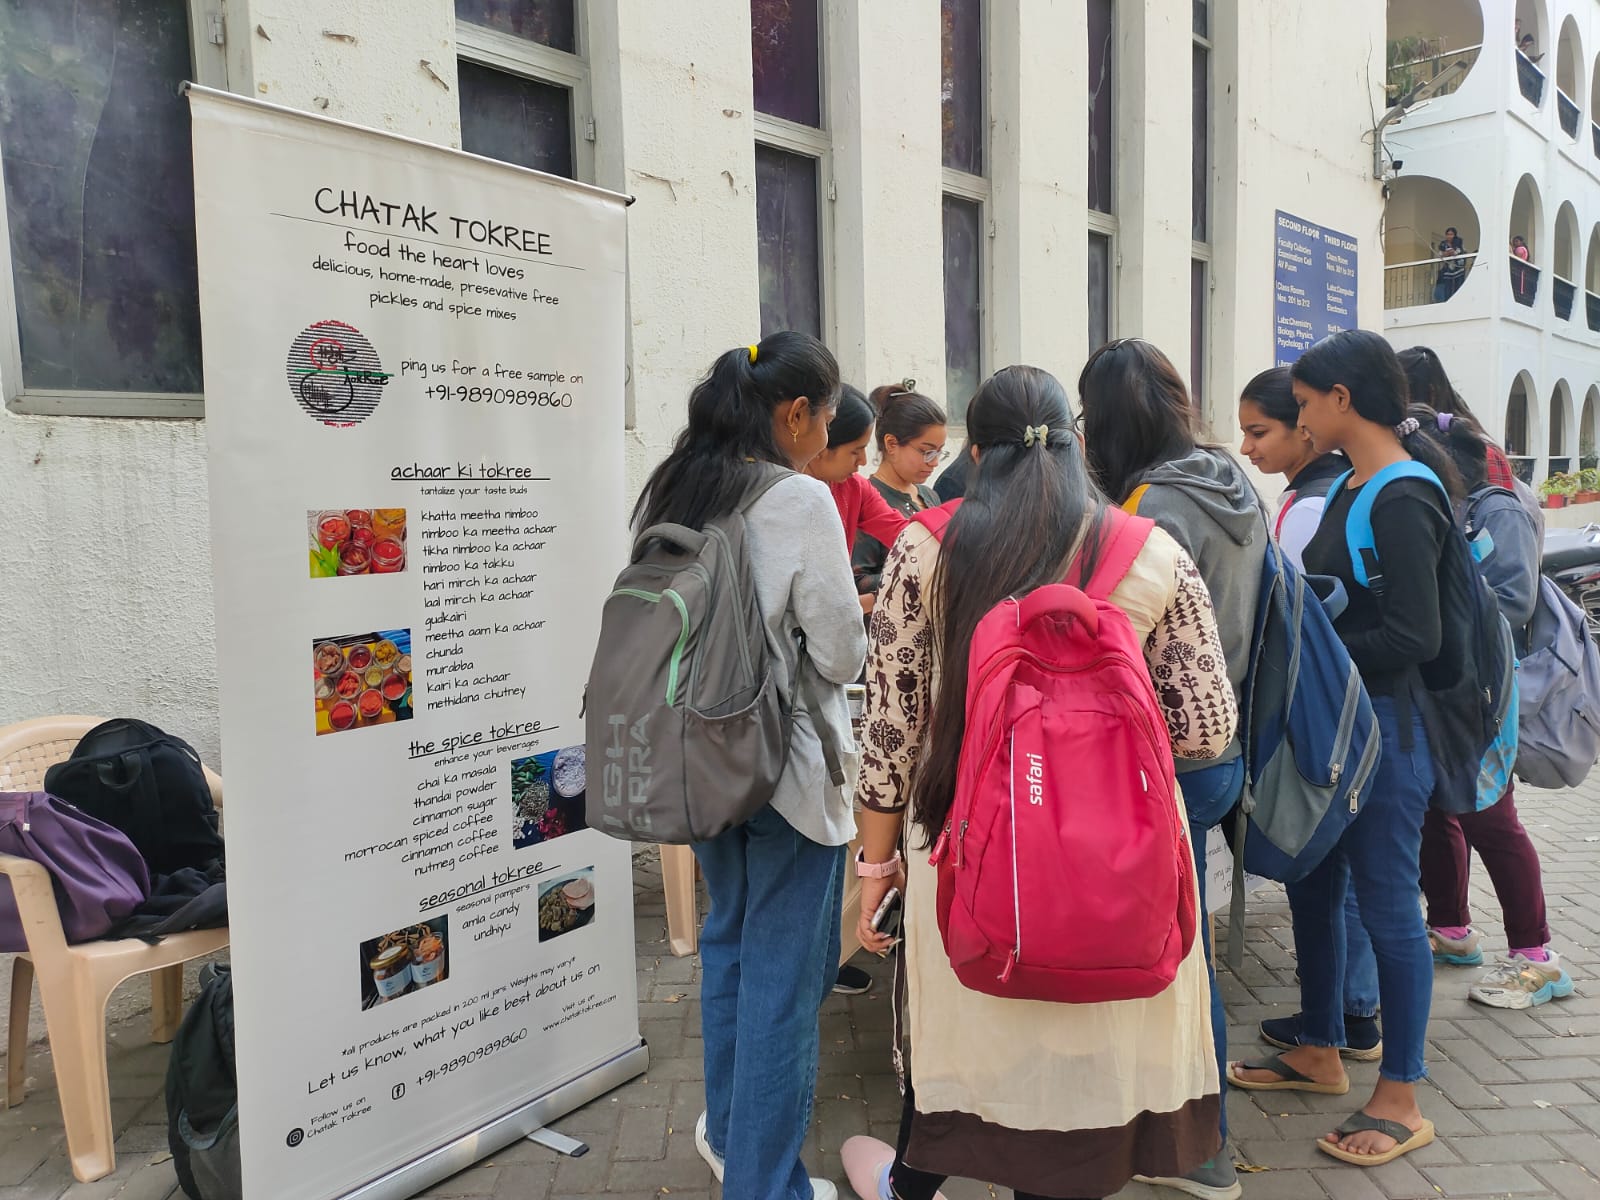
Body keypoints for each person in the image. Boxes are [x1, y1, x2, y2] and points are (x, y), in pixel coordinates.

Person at [840, 365, 1233, 1200]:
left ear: (976, 453)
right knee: (1086, 1072)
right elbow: (1207, 726)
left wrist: (874, 871)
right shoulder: (1151, 550)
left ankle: (914, 1179)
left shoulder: (926, 546)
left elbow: (889, 734)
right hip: (1117, 864)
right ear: (1078, 444)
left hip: (968, 854)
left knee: (978, 1045)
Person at [635, 332, 867, 1200]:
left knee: (729, 949)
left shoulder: (677, 482)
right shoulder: (799, 498)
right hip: (785, 772)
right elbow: (840, 654)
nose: (829, 438)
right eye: (830, 419)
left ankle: (731, 1138)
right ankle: (766, 1186)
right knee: (784, 981)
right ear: (795, 413)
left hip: (698, 764)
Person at [1230, 329, 1456, 1169]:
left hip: (1387, 738)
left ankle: (1400, 1090)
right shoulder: (1356, 483)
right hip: (1340, 731)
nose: (1298, 417)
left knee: (1390, 909)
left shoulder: (1401, 492)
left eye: (1303, 403)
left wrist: (1309, 648)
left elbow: (1416, 635)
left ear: (1340, 401)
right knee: (1314, 886)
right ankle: (1320, 1046)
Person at [1079, 338, 1261, 1200]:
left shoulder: (1151, 506)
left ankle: (1202, 1148)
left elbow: (1112, 648)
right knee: (1183, 941)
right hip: (1225, 749)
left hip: (1164, 761)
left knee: (1173, 955)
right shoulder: (1234, 483)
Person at [1237, 367, 1383, 1063]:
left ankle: (1346, 1015)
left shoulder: (1309, 506)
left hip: (1320, 711)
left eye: (1260, 429)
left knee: (1324, 867)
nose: (1248, 448)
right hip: (1354, 707)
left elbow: (1290, 621)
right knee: (1341, 869)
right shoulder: (1335, 491)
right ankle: (1347, 1014)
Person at [1410, 408, 1571, 1009]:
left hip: (1482, 688)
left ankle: (1538, 957)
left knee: (1489, 817)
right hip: (1443, 685)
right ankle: (1451, 930)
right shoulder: (1438, 508)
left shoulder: (1494, 509)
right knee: (1438, 810)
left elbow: (1513, 600)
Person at [805, 383, 910, 997]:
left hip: (836, 662)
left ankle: (834, 947)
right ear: (812, 440)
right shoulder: (792, 498)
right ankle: (823, 955)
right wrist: (863, 602)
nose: (863, 464)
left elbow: (905, 532)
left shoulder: (849, 488)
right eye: (855, 451)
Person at [1397, 346, 1542, 533]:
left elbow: (1503, 526)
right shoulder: (1402, 445)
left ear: (1431, 394)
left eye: (1402, 395)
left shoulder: (1480, 451)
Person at [851, 384, 947, 600]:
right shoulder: (868, 499)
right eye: (926, 451)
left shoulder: (929, 495)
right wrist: (921, 572)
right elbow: (858, 582)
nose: (934, 462)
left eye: (940, 452)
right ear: (892, 444)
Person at [1434, 227, 1466, 302]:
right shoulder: (1443, 243)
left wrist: (1451, 253)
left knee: (1458, 285)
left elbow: (1457, 251)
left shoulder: (1458, 241)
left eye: (1451, 234)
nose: (1449, 236)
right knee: (1448, 286)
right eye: (1448, 234)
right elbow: (1440, 254)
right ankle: (1448, 300)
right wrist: (1447, 253)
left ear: (1454, 235)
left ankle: (1458, 300)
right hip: (1448, 268)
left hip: (1458, 268)